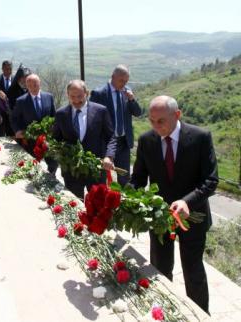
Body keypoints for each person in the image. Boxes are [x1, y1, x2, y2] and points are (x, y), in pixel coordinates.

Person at [130, 95, 218, 314]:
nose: (155, 126)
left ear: (177, 115)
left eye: (161, 121)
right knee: (159, 268)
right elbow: (138, 179)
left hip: (193, 218)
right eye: (151, 121)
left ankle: (199, 315)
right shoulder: (147, 140)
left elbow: (210, 181)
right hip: (159, 218)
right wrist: (125, 198)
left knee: (193, 270)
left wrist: (187, 202)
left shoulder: (200, 137)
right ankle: (164, 312)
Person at [52, 79, 116, 198]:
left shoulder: (101, 111)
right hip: (72, 172)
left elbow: (111, 136)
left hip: (96, 170)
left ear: (86, 93)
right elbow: (55, 139)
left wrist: (109, 156)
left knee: (98, 206)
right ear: (68, 95)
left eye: (80, 96)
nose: (76, 100)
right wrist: (58, 153)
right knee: (75, 205)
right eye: (72, 96)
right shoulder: (61, 114)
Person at [90, 64, 142, 185]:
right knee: (102, 176)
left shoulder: (127, 92)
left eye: (126, 81)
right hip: (106, 142)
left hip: (124, 142)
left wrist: (132, 100)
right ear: (113, 77)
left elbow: (138, 113)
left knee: (124, 177)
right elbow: (92, 119)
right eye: (121, 80)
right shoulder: (99, 94)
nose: (124, 84)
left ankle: (123, 202)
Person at [11, 74, 57, 173]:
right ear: (27, 86)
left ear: (39, 84)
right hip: (31, 140)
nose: (33, 88)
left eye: (35, 85)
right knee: (33, 165)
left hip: (47, 138)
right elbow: (14, 118)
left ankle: (51, 177)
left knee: (53, 162)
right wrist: (17, 130)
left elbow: (54, 116)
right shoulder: (21, 101)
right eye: (30, 86)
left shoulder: (49, 97)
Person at [0, 60, 14, 136]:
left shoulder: (15, 79)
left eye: (10, 69)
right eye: (6, 69)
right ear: (2, 69)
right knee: (1, 134)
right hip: (1, 113)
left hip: (12, 113)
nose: (8, 71)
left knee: (12, 134)